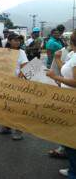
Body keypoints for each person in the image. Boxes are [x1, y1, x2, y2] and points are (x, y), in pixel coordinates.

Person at [46, 30, 76, 178]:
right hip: (67, 98)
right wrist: (58, 59)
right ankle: (72, 167)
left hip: (72, 101)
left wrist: (55, 76)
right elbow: (67, 69)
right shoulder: (73, 55)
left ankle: (74, 172)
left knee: (71, 137)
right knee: (69, 136)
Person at [0, 33, 28, 140]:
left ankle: (19, 130)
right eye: (15, 40)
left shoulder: (21, 52)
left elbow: (25, 67)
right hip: (6, 83)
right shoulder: (5, 52)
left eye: (19, 40)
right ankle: (6, 127)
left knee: (17, 108)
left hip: (17, 84)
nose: (18, 42)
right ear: (9, 41)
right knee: (6, 106)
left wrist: (18, 80)